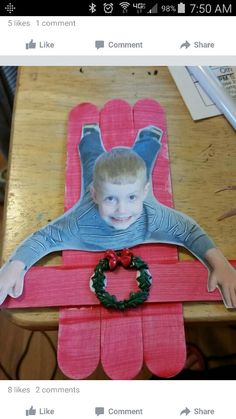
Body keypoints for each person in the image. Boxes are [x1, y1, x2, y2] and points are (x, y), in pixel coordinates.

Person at [0, 124, 236, 307]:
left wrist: (220, 264)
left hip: (135, 175)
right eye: (110, 199)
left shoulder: (153, 215)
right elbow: (44, 238)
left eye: (132, 198)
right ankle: (90, 134)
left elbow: (188, 231)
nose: (122, 210)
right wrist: (14, 267)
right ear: (95, 194)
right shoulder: (80, 221)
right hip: (97, 180)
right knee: (92, 157)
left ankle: (149, 138)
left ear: (145, 193)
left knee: (143, 159)